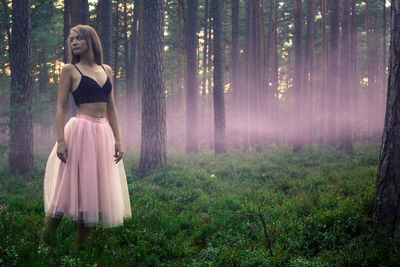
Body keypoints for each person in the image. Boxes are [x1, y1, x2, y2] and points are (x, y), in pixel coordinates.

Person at [41, 25, 131, 248]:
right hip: (80, 132)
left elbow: (112, 107)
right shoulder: (70, 70)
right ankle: (44, 243)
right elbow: (61, 108)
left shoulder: (107, 70)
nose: (74, 43)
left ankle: (82, 247)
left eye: (79, 38)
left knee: (93, 192)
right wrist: (61, 140)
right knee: (66, 189)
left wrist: (118, 139)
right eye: (72, 39)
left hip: (103, 134)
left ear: (91, 40)